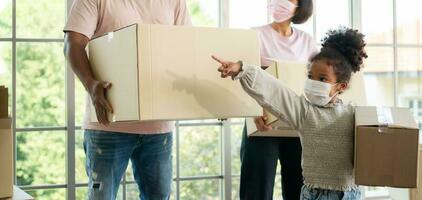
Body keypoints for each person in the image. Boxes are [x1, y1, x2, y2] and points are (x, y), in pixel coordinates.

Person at [213, 27, 367, 200]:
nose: (313, 82)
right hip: (313, 194)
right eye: (310, 76)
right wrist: (241, 69)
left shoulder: (353, 114)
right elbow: (273, 90)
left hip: (350, 193)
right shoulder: (304, 111)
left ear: (341, 86)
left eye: (322, 79)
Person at [63, 0, 191, 199]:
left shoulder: (175, 2)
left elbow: (187, 48)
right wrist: (90, 84)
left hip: (158, 129)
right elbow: (73, 43)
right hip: (108, 123)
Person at [240, 0, 316, 199]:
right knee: (256, 189)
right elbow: (244, 76)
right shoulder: (254, 35)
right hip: (262, 123)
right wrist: (254, 111)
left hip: (296, 125)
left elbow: (314, 82)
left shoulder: (307, 41)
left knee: (297, 188)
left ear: (300, 5)